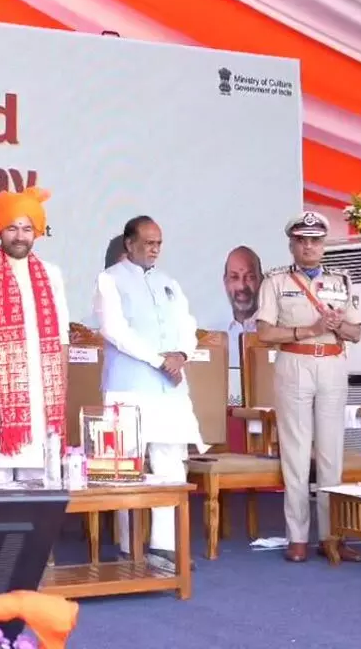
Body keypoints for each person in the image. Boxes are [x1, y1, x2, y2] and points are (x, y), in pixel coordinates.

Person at [94, 216, 205, 565]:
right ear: (129, 244)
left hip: (169, 388)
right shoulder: (109, 279)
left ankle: (165, 545)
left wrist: (182, 355)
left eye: (159, 242)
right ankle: (130, 548)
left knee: (170, 462)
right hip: (128, 387)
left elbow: (188, 325)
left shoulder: (169, 282)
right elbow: (115, 330)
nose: (155, 248)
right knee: (126, 467)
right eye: (148, 242)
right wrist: (160, 360)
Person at [255, 211, 361, 564]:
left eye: (315, 240)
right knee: (296, 454)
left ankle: (333, 537)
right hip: (294, 362)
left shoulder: (342, 280)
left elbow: (356, 332)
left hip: (333, 362)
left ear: (323, 245)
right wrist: (309, 329)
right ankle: (297, 537)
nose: (309, 246)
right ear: (292, 244)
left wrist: (336, 326)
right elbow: (264, 333)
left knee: (332, 453)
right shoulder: (275, 281)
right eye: (302, 240)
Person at [0, 187, 70, 482]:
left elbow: (62, 338)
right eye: (12, 228)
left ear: (37, 232)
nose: (20, 236)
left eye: (26, 228)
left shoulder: (52, 274)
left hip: (43, 398)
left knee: (38, 480)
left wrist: (61, 390)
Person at [223, 246, 262, 406]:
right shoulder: (210, 336)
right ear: (225, 282)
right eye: (234, 277)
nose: (242, 286)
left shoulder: (278, 331)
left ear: (261, 280)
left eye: (250, 277)